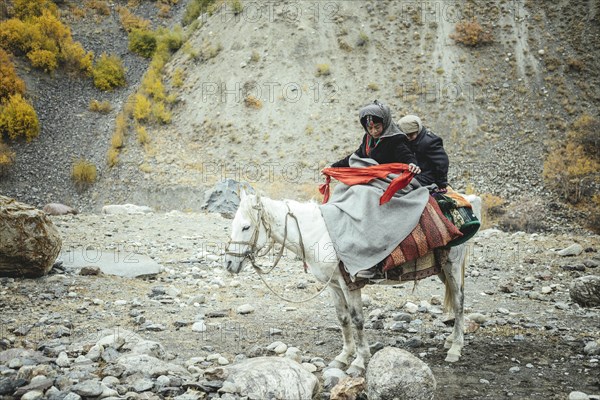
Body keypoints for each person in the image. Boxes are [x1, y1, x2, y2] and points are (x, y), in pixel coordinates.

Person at [332, 100, 421, 175]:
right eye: (370, 128)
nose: (374, 131)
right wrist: (334, 167)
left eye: (377, 127)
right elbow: (357, 155)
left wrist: (412, 164)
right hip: (372, 176)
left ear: (385, 123)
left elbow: (406, 155)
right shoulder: (368, 138)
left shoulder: (395, 139)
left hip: (388, 179)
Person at [398, 115, 449, 192]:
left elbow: (442, 163)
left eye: (411, 134)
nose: (408, 137)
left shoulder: (429, 142)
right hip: (412, 172)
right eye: (406, 135)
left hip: (426, 176)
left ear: (418, 130)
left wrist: (441, 183)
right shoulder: (406, 140)